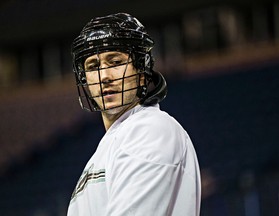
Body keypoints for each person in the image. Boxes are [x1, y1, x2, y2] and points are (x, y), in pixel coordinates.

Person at [68, 12, 201, 216]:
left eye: (115, 62)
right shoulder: (107, 148)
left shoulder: (150, 129)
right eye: (93, 67)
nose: (104, 76)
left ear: (141, 71)